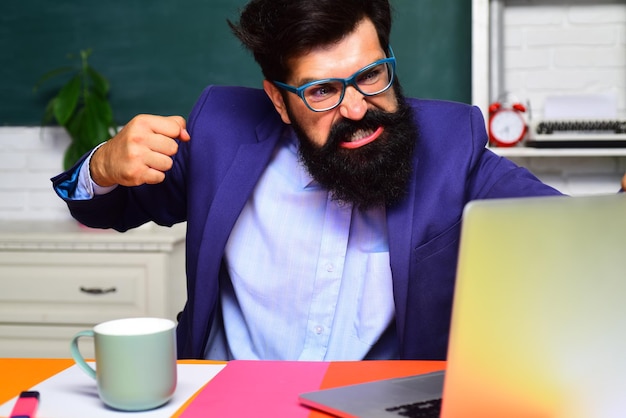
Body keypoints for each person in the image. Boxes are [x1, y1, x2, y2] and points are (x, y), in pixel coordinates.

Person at [51, 0, 622, 361]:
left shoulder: (452, 144)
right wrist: (101, 165)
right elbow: (103, 208)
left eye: (371, 75)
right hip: (222, 398)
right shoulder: (220, 133)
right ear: (278, 100)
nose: (356, 108)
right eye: (322, 91)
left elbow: (572, 235)